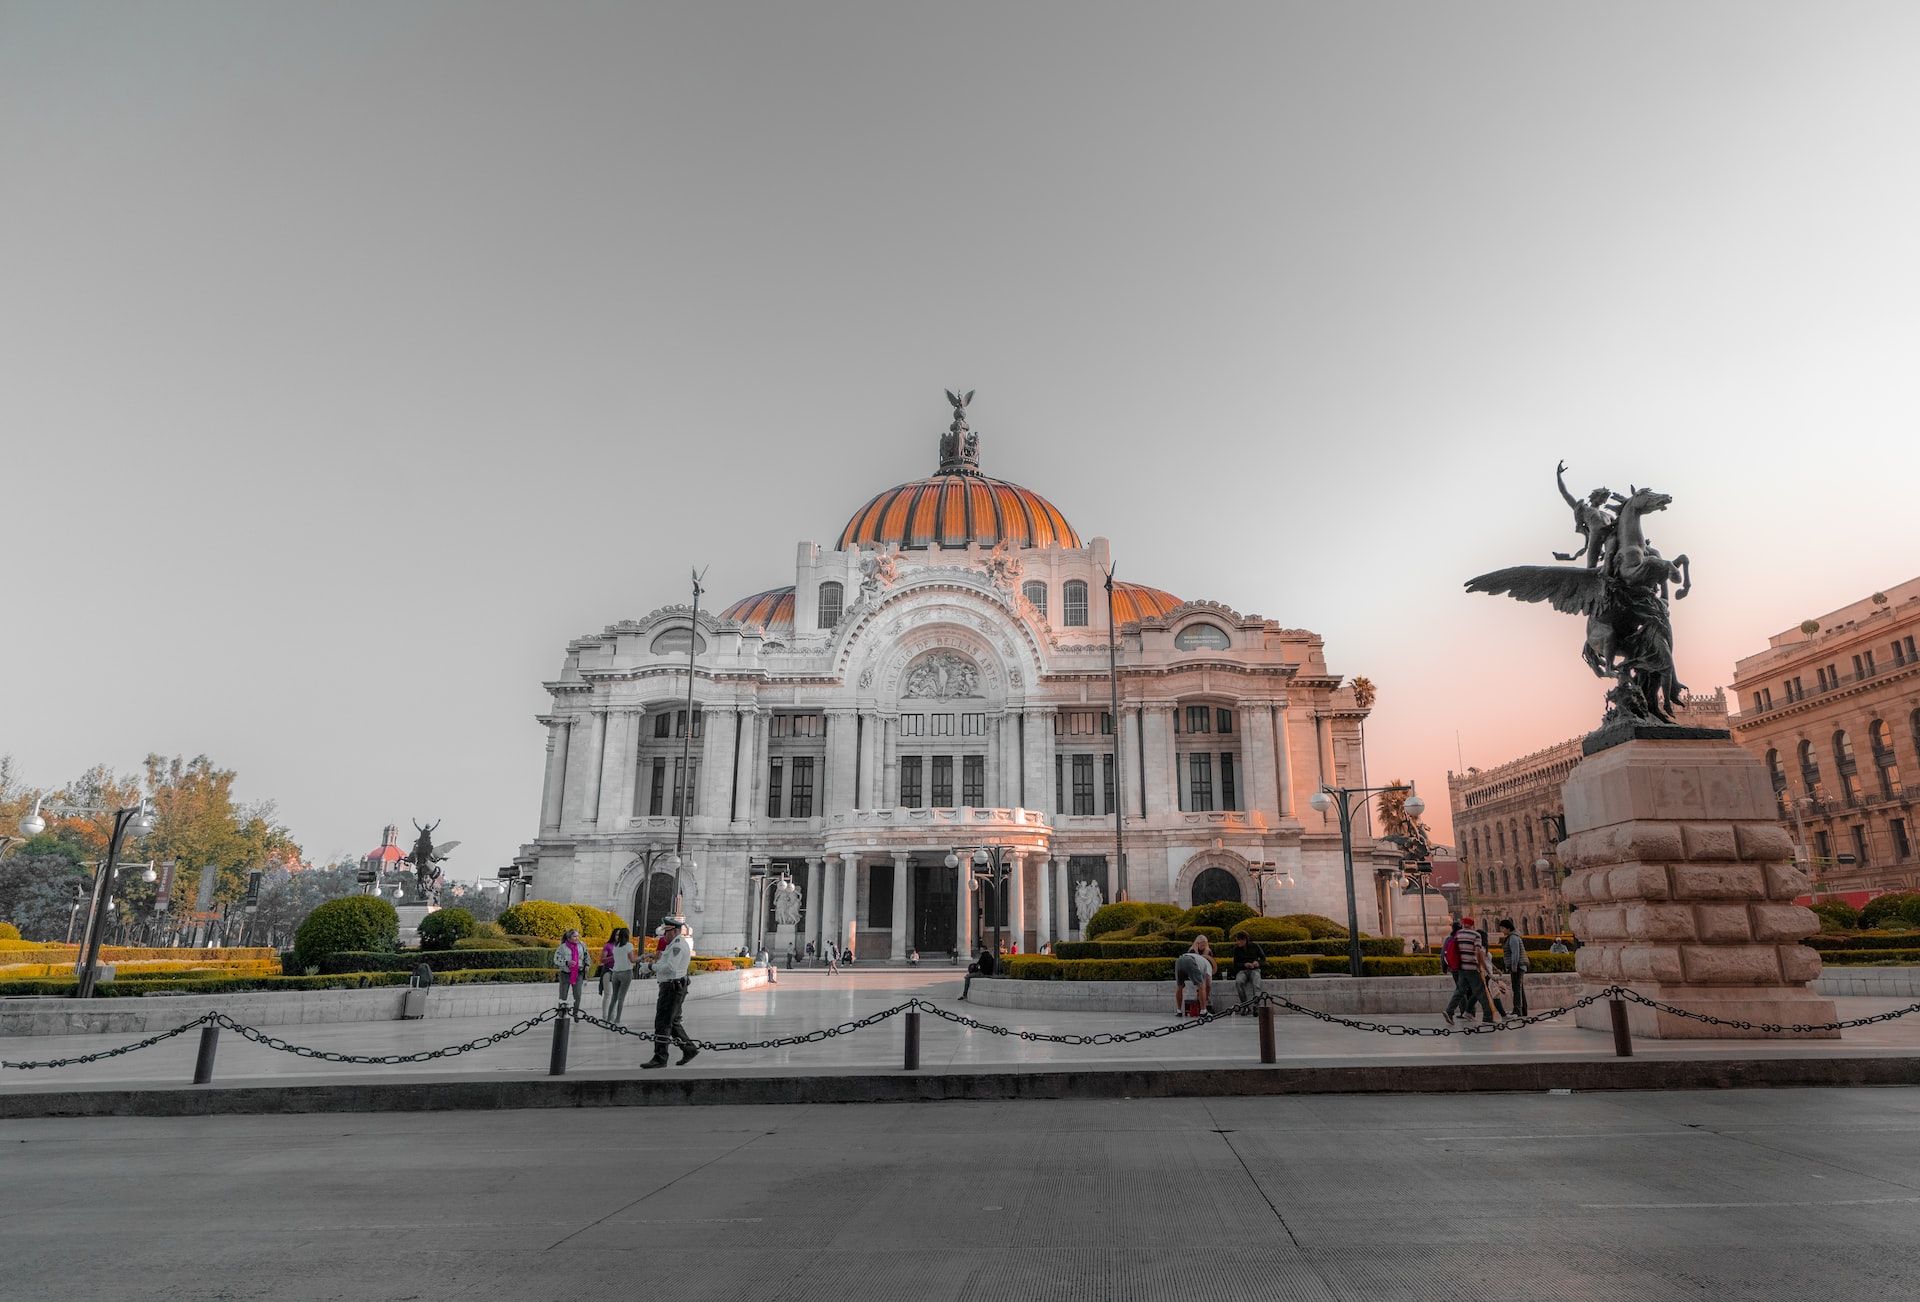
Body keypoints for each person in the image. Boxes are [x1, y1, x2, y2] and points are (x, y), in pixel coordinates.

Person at [641, 915, 698, 1069]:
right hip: (672, 987)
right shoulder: (673, 944)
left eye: (666, 932)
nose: (664, 935)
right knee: (672, 1022)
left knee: (663, 1023)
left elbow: (671, 967)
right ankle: (689, 1049)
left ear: (674, 931)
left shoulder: (678, 945)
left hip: (672, 988)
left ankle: (660, 1057)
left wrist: (650, 967)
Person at [1442, 916, 1493, 1026]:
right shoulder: (1476, 935)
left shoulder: (1458, 934)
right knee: (1481, 992)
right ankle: (1488, 1017)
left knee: (1460, 991)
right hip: (1472, 967)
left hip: (1461, 967)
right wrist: (1483, 967)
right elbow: (1478, 952)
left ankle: (1449, 1011)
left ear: (1463, 923)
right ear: (1472, 925)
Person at [600, 927, 639, 1024]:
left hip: (615, 973)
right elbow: (632, 960)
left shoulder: (616, 947)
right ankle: (617, 1019)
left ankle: (608, 1019)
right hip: (626, 973)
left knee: (614, 997)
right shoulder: (628, 945)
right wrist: (642, 957)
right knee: (621, 998)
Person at [1498, 918, 1530, 1017]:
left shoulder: (1513, 938)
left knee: (1516, 989)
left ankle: (1517, 1011)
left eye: (1502, 928)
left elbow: (1515, 954)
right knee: (1520, 989)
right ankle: (1523, 1010)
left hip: (1518, 967)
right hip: (1519, 966)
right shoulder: (1512, 937)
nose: (1501, 930)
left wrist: (1514, 966)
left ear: (1508, 928)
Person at [551, 928, 588, 1011]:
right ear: (569, 938)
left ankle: (575, 1012)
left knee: (577, 995)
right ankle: (561, 1013)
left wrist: (587, 965)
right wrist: (566, 962)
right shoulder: (562, 947)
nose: (577, 938)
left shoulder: (582, 945)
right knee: (563, 995)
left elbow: (586, 956)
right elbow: (556, 960)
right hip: (566, 974)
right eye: (574, 936)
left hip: (578, 973)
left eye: (578, 936)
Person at [1174, 940, 1213, 1017]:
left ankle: (1178, 1011)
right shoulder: (1208, 965)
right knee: (1202, 986)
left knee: (1180, 986)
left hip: (1179, 960)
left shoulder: (1200, 960)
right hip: (1189, 961)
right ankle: (1204, 1011)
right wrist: (1206, 998)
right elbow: (1208, 985)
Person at [1229, 932, 1265, 1007]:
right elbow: (1235, 964)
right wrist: (1244, 965)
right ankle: (1245, 1005)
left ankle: (1257, 1005)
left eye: (1238, 940)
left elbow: (1263, 959)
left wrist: (1257, 962)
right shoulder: (1236, 949)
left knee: (1256, 984)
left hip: (1254, 970)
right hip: (1242, 971)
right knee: (1238, 982)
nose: (1237, 942)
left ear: (1244, 940)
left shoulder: (1255, 946)